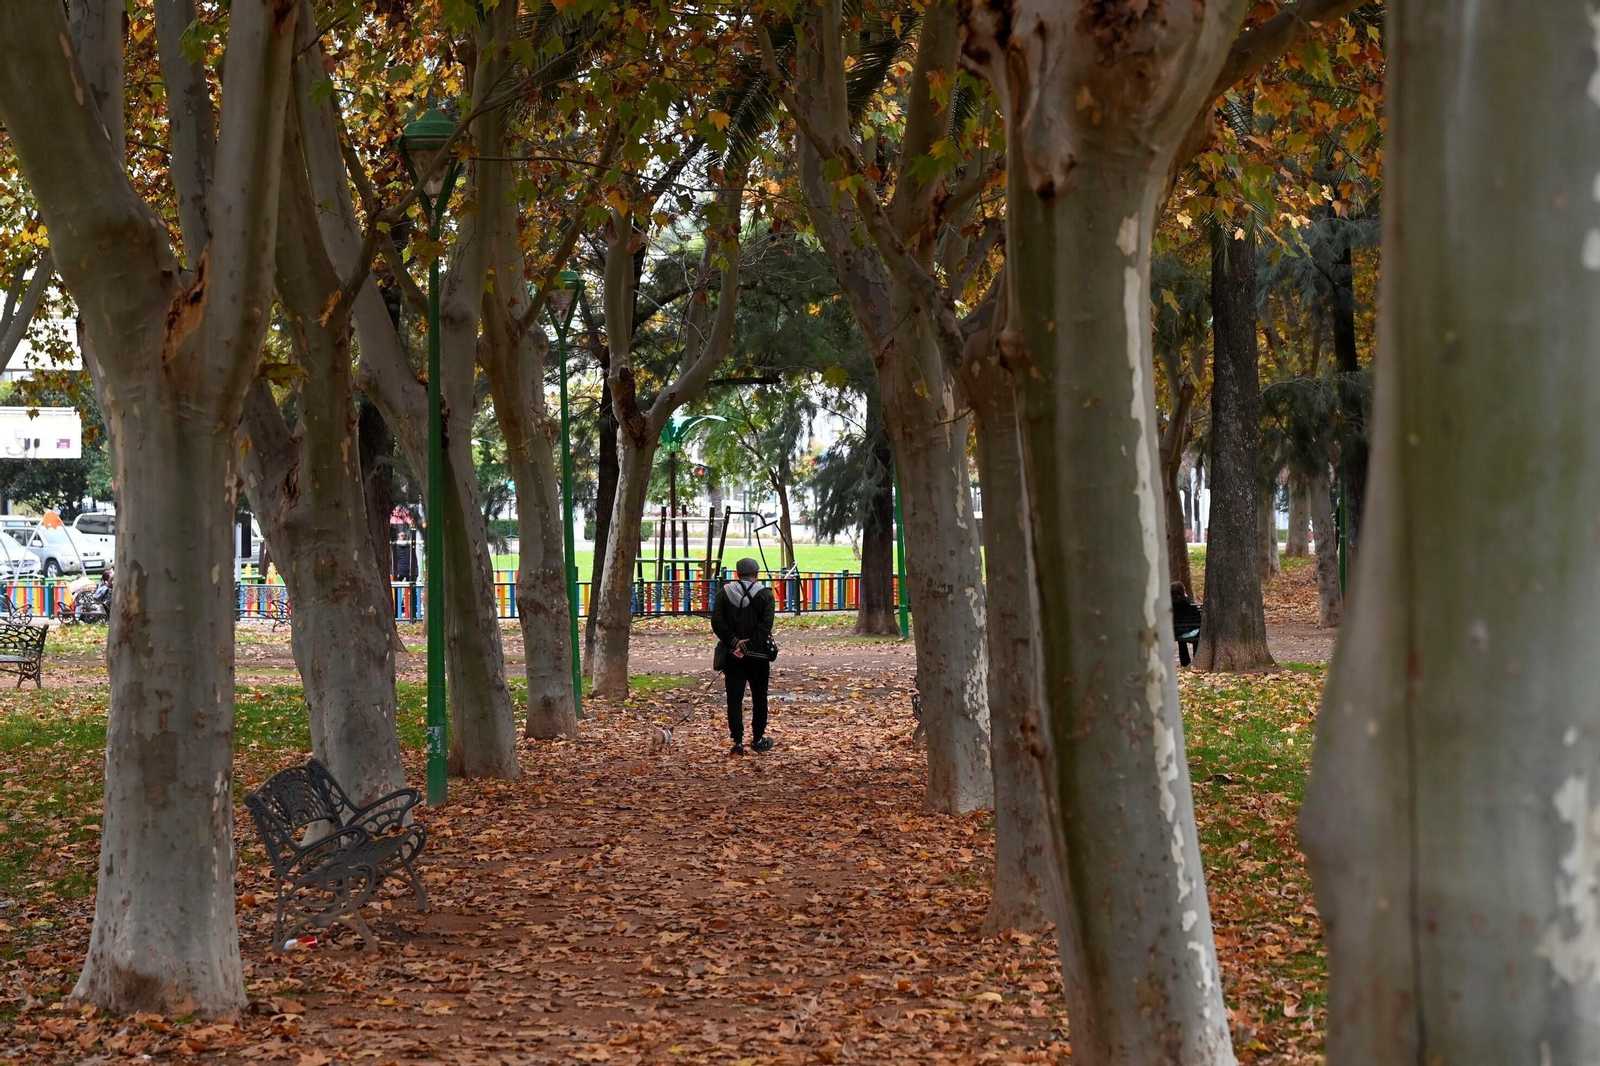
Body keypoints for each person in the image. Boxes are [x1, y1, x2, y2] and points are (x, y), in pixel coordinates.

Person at [712, 557, 776, 755]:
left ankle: (738, 741)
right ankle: (757, 738)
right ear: (756, 574)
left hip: (733, 656)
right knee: (759, 697)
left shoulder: (725, 593)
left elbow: (717, 621)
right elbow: (765, 627)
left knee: (734, 698)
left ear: (737, 573)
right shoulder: (765, 595)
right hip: (759, 656)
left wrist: (734, 642)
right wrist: (748, 647)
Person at [1172, 580, 1202, 667]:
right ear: (1182, 590)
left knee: (1181, 642)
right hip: (1191, 632)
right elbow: (1197, 617)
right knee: (1198, 633)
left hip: (1176, 632)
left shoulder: (1168, 604)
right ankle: (1196, 659)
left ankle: (1185, 663)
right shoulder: (1188, 603)